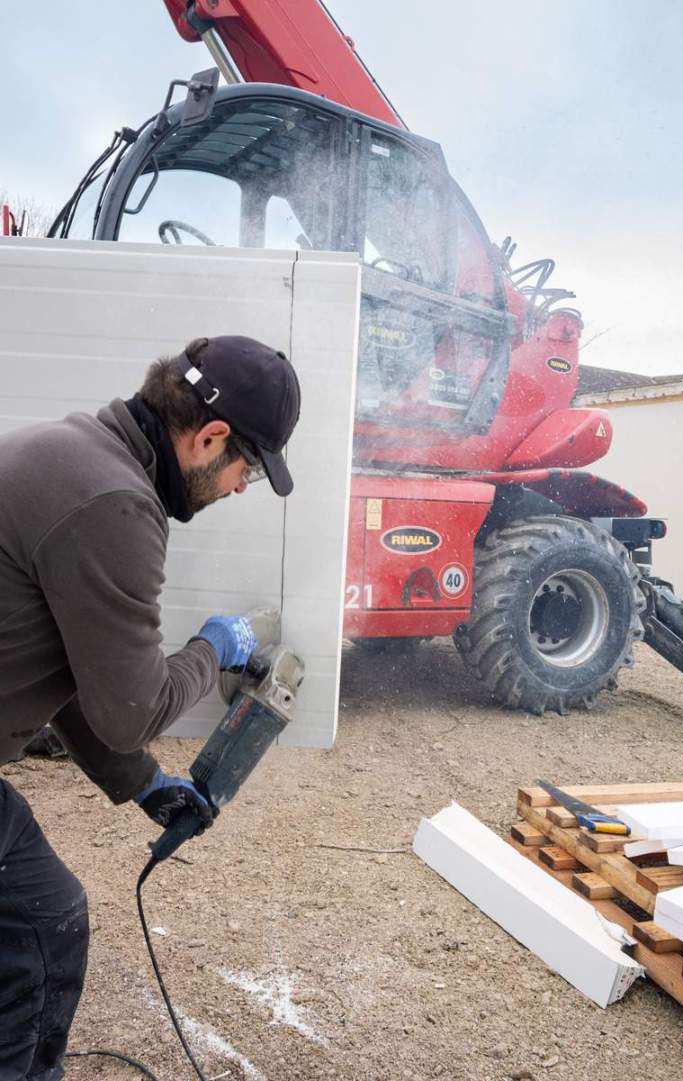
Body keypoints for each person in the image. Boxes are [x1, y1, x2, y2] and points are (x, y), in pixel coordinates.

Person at [0, 334, 300, 1080]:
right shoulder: (116, 505)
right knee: (40, 921)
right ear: (210, 437)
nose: (238, 488)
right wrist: (214, 648)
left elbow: (71, 671)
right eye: (248, 470)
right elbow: (132, 707)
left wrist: (137, 780)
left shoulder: (76, 447)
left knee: (36, 907)